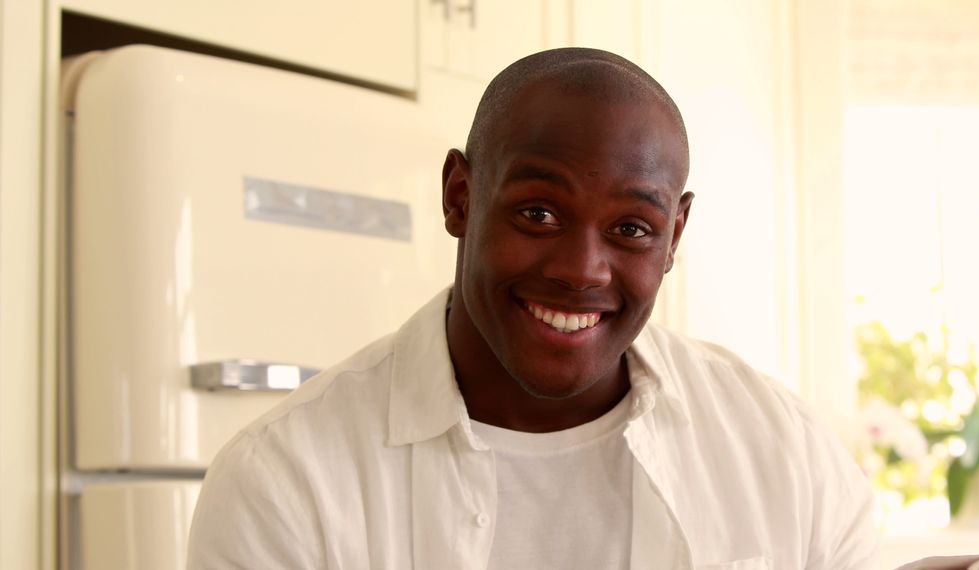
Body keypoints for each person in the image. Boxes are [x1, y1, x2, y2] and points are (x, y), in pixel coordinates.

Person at [187, 47, 877, 569]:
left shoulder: (785, 453)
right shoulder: (284, 480)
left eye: (631, 227)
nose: (581, 270)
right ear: (460, 196)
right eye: (539, 213)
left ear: (674, 236)